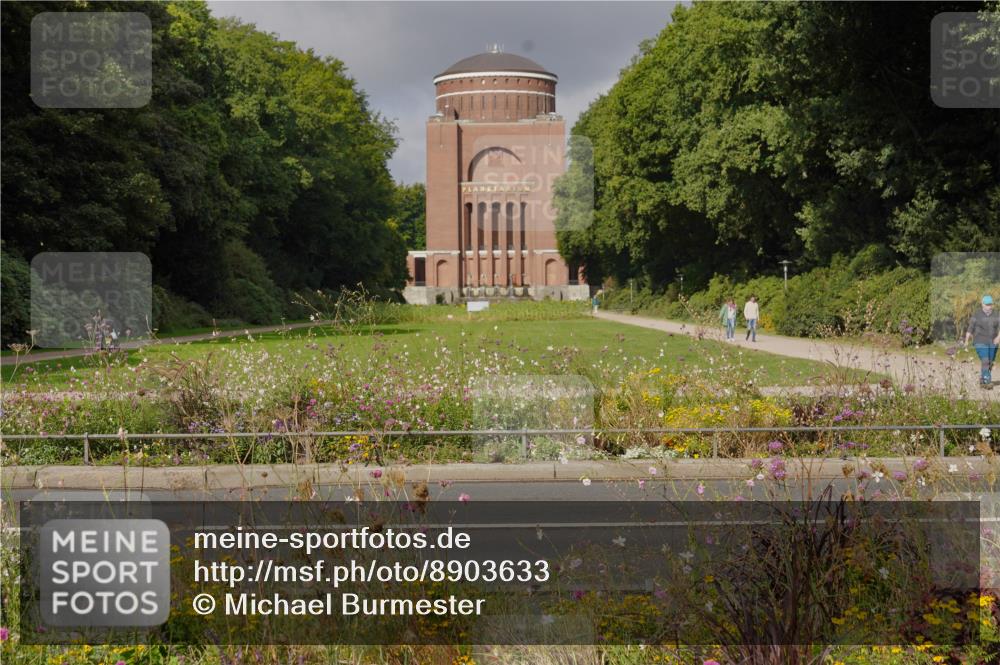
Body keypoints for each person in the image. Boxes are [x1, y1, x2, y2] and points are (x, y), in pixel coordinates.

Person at [964, 294, 1000, 390]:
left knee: (990, 362)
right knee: (985, 361)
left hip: (993, 341)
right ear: (982, 304)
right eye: (987, 304)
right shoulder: (977, 314)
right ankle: (987, 382)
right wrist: (966, 340)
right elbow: (970, 327)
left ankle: (983, 379)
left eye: (990, 304)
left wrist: (999, 337)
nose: (989, 306)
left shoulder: (997, 314)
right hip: (979, 341)